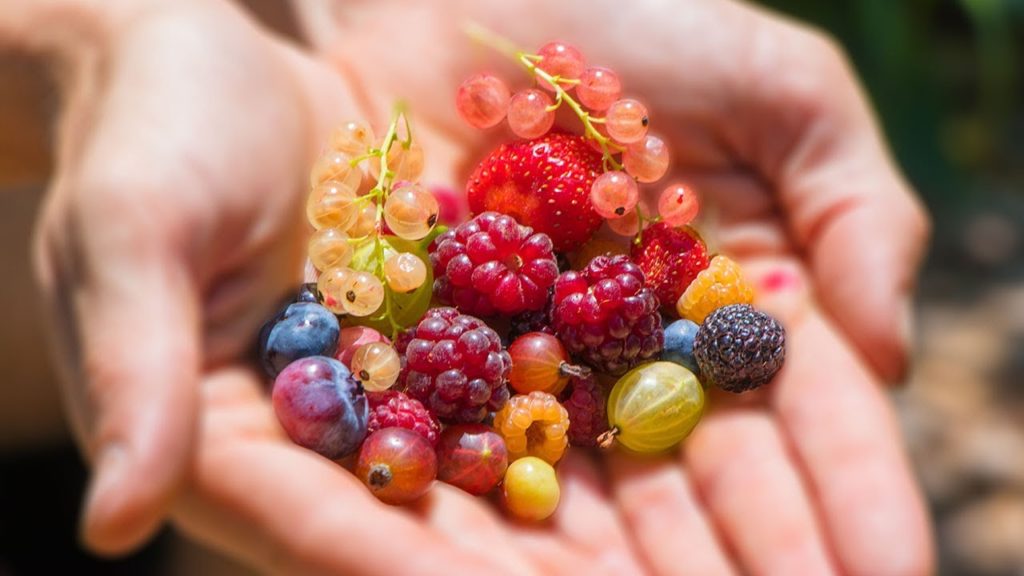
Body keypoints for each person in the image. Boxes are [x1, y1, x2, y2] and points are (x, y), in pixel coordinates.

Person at [1, 0, 934, 574]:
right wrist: (93, 34)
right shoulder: (431, 306)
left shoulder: (560, 309)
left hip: (173, 395)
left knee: (266, 530)